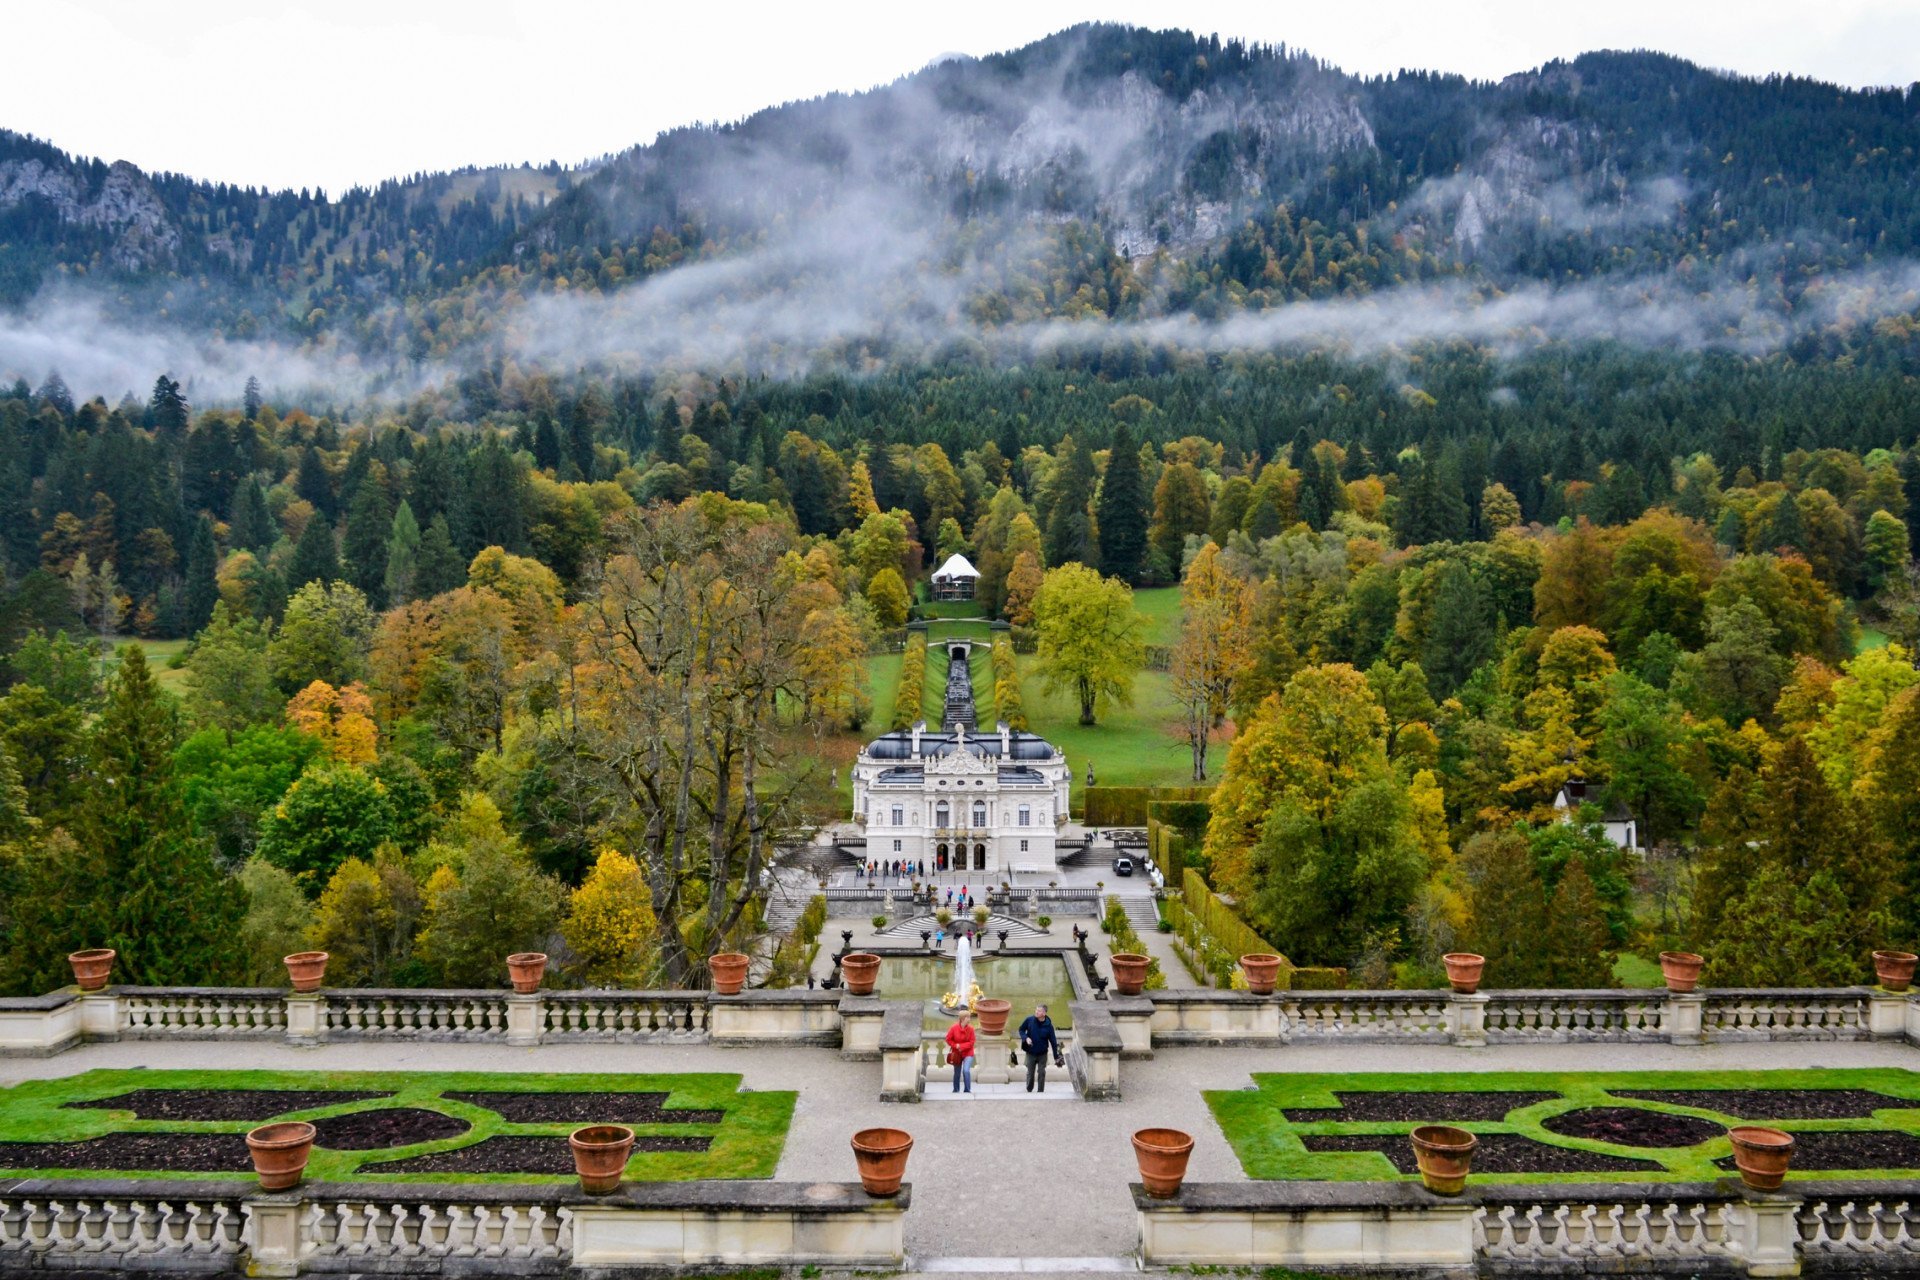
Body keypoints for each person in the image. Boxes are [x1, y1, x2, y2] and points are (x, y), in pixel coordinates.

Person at [1018, 1004, 1062, 1093]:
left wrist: (1056, 1056)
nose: (1036, 1012)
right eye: (1036, 1010)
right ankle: (1029, 1089)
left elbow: (1053, 1042)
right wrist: (1026, 1038)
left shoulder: (1049, 1026)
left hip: (1042, 1054)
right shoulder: (1029, 1020)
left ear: (1044, 1013)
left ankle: (1040, 1092)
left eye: (1039, 1011)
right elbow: (1021, 1030)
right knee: (1030, 1073)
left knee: (1042, 1073)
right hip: (1031, 1052)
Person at [945, 1012, 976, 1094]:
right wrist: (955, 1045)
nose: (969, 1019)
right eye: (968, 1017)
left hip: (968, 1053)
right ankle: (956, 1090)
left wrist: (961, 1046)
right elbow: (948, 1039)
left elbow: (972, 1042)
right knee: (957, 1072)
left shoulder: (971, 1029)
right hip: (957, 1054)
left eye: (969, 1017)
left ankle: (967, 1090)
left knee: (966, 1070)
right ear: (963, 1019)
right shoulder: (954, 1028)